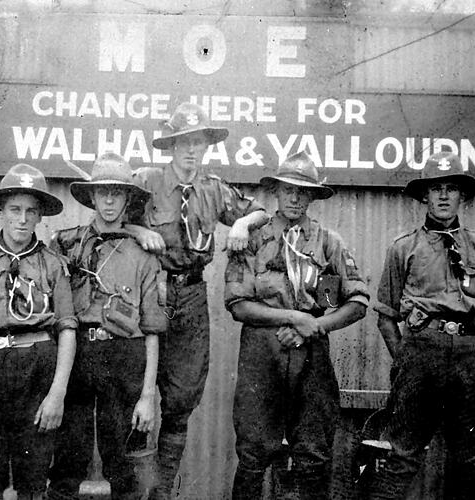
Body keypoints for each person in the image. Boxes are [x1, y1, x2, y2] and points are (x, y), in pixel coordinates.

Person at [125, 102, 269, 499]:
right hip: (148, 291)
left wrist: (240, 222)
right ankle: (136, 490)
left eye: (199, 143)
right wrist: (139, 230)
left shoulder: (212, 189)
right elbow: (115, 217)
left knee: (182, 396)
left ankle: (161, 492)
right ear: (171, 146)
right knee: (136, 389)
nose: (191, 150)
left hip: (190, 295)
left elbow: (259, 213)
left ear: (206, 147)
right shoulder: (146, 181)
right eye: (184, 142)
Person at [224, 151, 369, 499]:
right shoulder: (253, 238)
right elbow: (238, 304)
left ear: (312, 197)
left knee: (313, 453)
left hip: (312, 353)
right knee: (253, 453)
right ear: (275, 191)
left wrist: (315, 326)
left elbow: (358, 301)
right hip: (263, 350)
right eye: (288, 189)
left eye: (303, 191)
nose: (294, 197)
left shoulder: (328, 241)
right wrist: (293, 317)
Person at [363, 151, 475, 499]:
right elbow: (385, 315)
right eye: (436, 188)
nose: (443, 196)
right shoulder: (404, 248)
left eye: (451, 188)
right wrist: (405, 357)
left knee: (471, 459)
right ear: (424, 195)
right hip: (420, 354)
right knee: (401, 455)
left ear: (462, 196)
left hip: (468, 358)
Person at [0, 163, 78, 500]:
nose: (22, 219)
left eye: (31, 212)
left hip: (37, 369)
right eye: (15, 210)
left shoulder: (53, 266)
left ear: (39, 217)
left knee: (32, 476)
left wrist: (57, 394)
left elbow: (67, 329)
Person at [48, 153, 167, 500]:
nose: (110, 201)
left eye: (117, 193)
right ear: (92, 197)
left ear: (128, 198)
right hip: (78, 354)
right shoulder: (67, 245)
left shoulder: (144, 254)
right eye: (103, 193)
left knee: (123, 461)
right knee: (68, 456)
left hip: (123, 357)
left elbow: (152, 330)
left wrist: (147, 396)